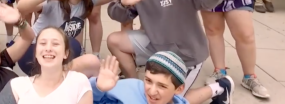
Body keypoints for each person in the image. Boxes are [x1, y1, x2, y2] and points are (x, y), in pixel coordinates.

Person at [107, 0, 225, 96]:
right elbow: (118, 15)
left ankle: (220, 88)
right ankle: (134, 86)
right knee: (114, 40)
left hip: (185, 55)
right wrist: (123, 3)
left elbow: (205, 1)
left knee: (168, 99)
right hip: (156, 46)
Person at [16, 0, 128, 77]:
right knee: (84, 56)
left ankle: (54, 80)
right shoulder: (54, 0)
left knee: (76, 49)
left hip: (57, 51)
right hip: (32, 51)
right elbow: (21, 7)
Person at [0, 27, 93, 104]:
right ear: (36, 53)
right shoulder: (17, 86)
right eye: (43, 43)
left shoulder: (78, 81)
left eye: (55, 44)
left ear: (65, 53)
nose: (48, 48)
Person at [91, 54, 235, 104]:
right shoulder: (129, 88)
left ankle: (221, 86)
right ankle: (220, 86)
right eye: (148, 80)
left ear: (179, 89)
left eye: (162, 86)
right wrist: (98, 87)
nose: (151, 91)